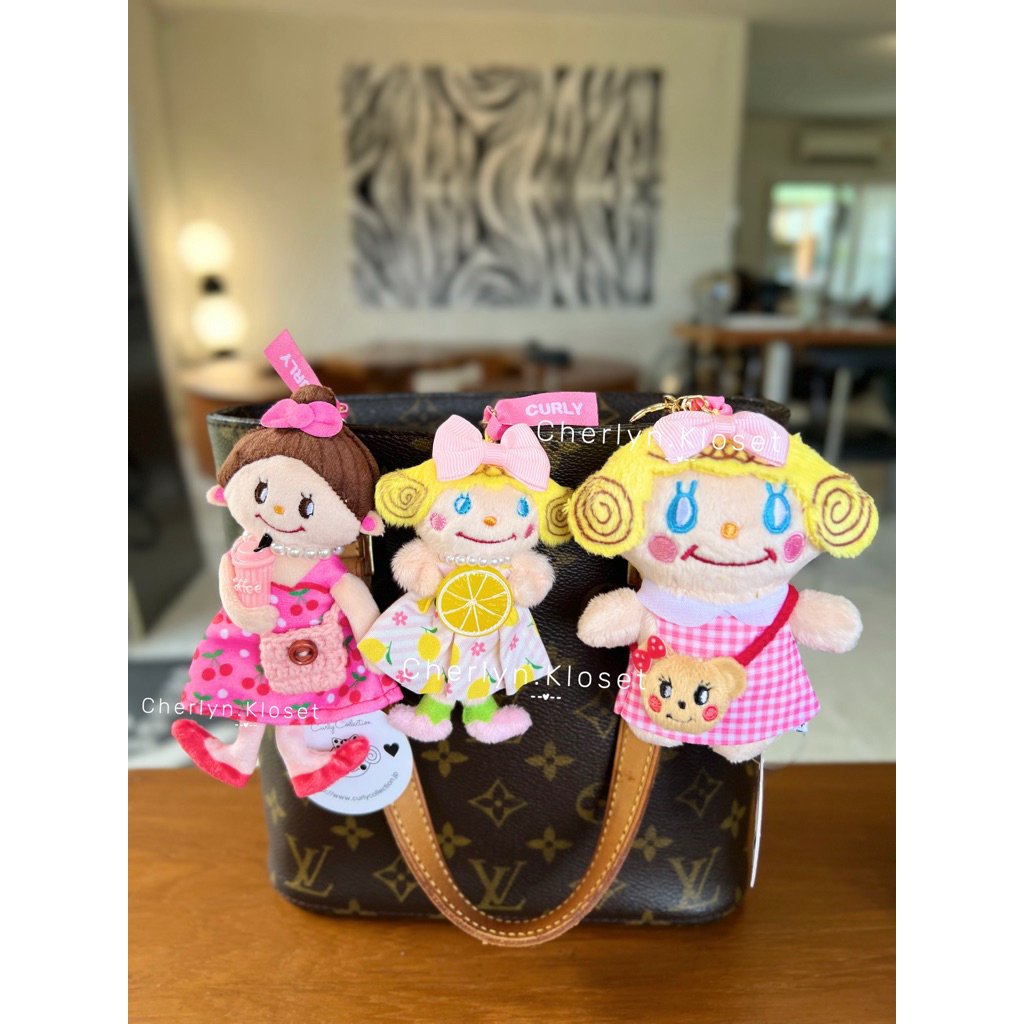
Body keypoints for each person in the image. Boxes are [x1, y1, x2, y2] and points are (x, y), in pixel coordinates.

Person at [172, 384, 400, 795]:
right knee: (256, 696)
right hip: (253, 637)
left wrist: (375, 649)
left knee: (297, 699)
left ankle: (298, 761)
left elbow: (359, 608)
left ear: (360, 521)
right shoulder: (245, 552)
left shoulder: (331, 571)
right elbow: (229, 582)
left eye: (306, 507)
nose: (276, 510)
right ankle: (242, 753)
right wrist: (243, 613)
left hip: (316, 645)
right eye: (260, 492)